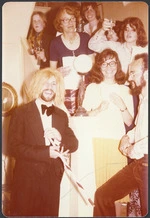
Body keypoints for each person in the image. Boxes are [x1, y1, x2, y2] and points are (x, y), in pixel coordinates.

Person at [8, 68, 78, 216]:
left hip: (52, 180)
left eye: (53, 84)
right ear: (36, 85)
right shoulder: (20, 112)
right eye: (44, 83)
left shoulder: (61, 115)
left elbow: (74, 143)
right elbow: (13, 147)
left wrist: (60, 138)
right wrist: (46, 153)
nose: (49, 87)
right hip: (26, 180)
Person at [93, 53, 148, 216]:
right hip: (140, 164)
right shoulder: (143, 99)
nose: (129, 77)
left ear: (146, 74)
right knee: (103, 196)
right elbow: (139, 128)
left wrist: (132, 150)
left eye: (133, 73)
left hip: (146, 162)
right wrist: (127, 137)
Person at [82, 49, 134, 191]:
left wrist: (122, 106)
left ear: (117, 65)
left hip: (117, 142)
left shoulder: (125, 90)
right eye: (104, 64)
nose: (108, 67)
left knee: (117, 191)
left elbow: (130, 122)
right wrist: (98, 110)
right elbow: (83, 117)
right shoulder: (92, 88)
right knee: (97, 188)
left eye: (112, 63)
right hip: (96, 141)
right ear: (99, 67)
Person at [50, 4, 94, 116]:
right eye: (65, 20)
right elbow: (51, 71)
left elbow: (93, 64)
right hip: (66, 89)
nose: (70, 22)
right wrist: (57, 72)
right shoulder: (55, 43)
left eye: (72, 18)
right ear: (60, 23)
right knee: (69, 121)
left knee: (87, 119)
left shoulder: (85, 38)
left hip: (86, 87)